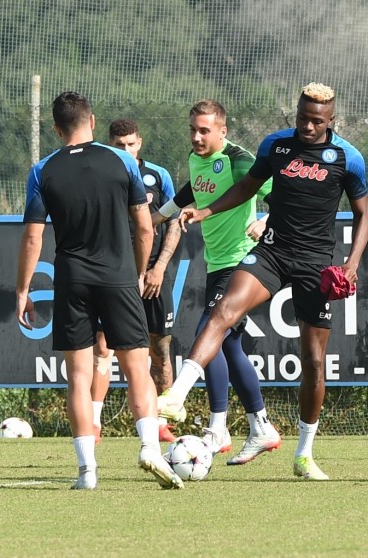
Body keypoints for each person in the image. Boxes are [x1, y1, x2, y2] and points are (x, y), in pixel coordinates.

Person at [162, 83, 368, 480]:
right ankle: (177, 393)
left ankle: (304, 453)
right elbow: (246, 187)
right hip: (274, 251)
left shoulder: (348, 157)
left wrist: (351, 264)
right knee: (223, 311)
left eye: (316, 120)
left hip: (316, 264)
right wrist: (204, 211)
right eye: (302, 117)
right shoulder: (276, 146)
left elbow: (364, 216)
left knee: (313, 361)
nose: (307, 126)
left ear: (331, 121)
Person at [16, 91, 182, 490]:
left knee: (77, 376)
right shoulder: (122, 161)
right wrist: (138, 273)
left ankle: (87, 471)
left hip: (72, 278)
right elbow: (145, 228)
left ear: (57, 129)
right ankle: (148, 450)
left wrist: (23, 289)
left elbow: (32, 238)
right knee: (136, 367)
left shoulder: (43, 171)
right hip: (119, 276)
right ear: (92, 121)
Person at [154, 99, 281, 459]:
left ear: (222, 131)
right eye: (193, 129)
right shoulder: (198, 160)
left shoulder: (240, 161)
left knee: (206, 334)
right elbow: (189, 192)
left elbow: (282, 198)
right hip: (216, 264)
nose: (196, 137)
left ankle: (217, 429)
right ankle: (260, 426)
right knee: (227, 346)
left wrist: (265, 221)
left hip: (242, 264)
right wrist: (154, 218)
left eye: (204, 130)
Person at [89, 118, 182, 444]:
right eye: (119, 145)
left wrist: (157, 269)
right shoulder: (101, 175)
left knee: (159, 349)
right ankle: (94, 422)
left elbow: (174, 220)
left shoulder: (158, 176)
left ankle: (158, 421)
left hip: (154, 275)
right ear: (109, 144)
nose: (126, 150)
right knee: (103, 346)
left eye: (131, 144)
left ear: (139, 143)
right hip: (114, 276)